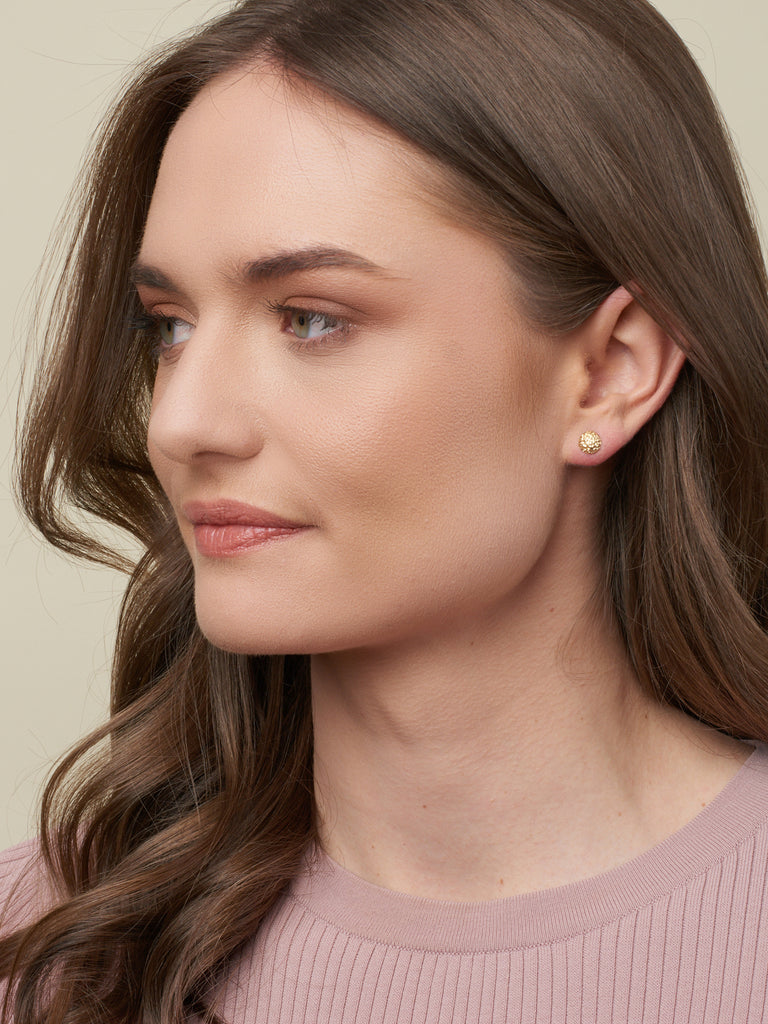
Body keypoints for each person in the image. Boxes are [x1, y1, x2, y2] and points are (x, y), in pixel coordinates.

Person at [2, 0, 768, 1020]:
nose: (183, 420)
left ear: (609, 373)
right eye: (170, 327)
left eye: (311, 319)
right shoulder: (49, 940)